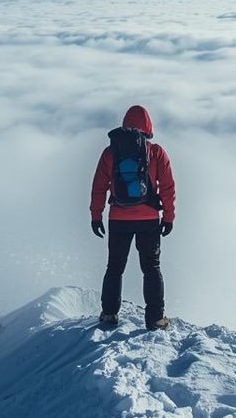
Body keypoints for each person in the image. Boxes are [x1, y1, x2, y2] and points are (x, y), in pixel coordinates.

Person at [90, 105, 176, 331]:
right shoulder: (156, 152)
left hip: (118, 219)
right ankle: (156, 319)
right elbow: (167, 188)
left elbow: (99, 187)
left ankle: (109, 314)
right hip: (148, 219)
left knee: (115, 267)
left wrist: (96, 215)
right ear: (148, 127)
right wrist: (168, 217)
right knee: (151, 268)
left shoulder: (111, 153)